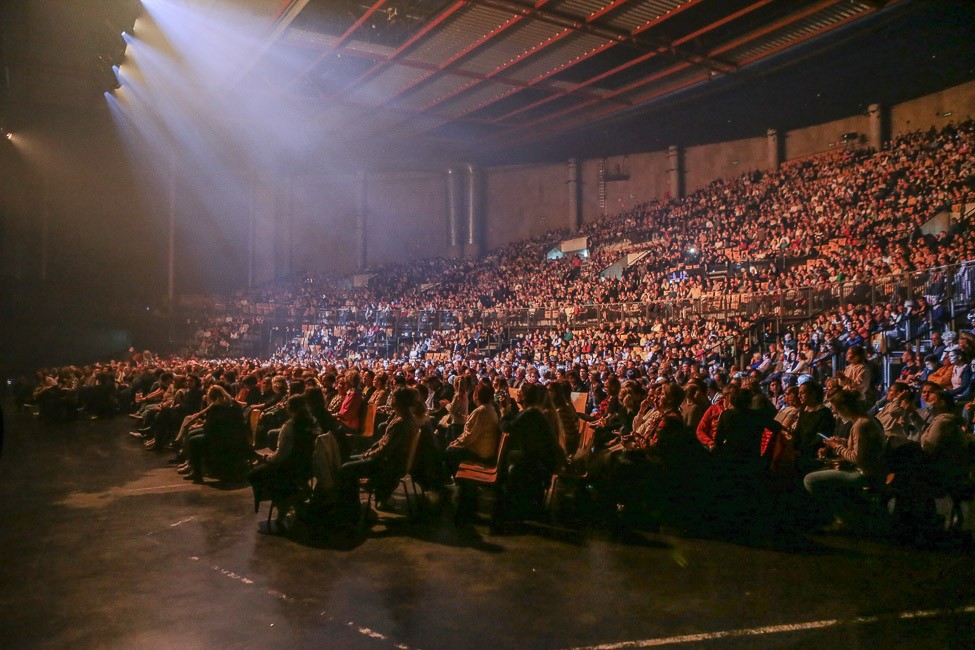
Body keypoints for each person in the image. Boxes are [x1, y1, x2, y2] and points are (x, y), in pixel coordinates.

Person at [803, 389, 886, 530]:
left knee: (810, 480)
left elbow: (856, 457)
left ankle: (842, 518)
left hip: (864, 473)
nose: (836, 414)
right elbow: (862, 447)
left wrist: (837, 447)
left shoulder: (860, 425)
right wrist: (842, 441)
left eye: (836, 410)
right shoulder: (865, 420)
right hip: (870, 469)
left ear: (845, 408)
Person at [248, 395, 321, 532]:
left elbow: (281, 456)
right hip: (308, 466)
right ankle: (297, 496)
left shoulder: (289, 426)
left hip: (290, 468)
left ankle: (284, 504)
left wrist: (266, 458)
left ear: (290, 408)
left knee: (254, 474)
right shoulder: (313, 422)